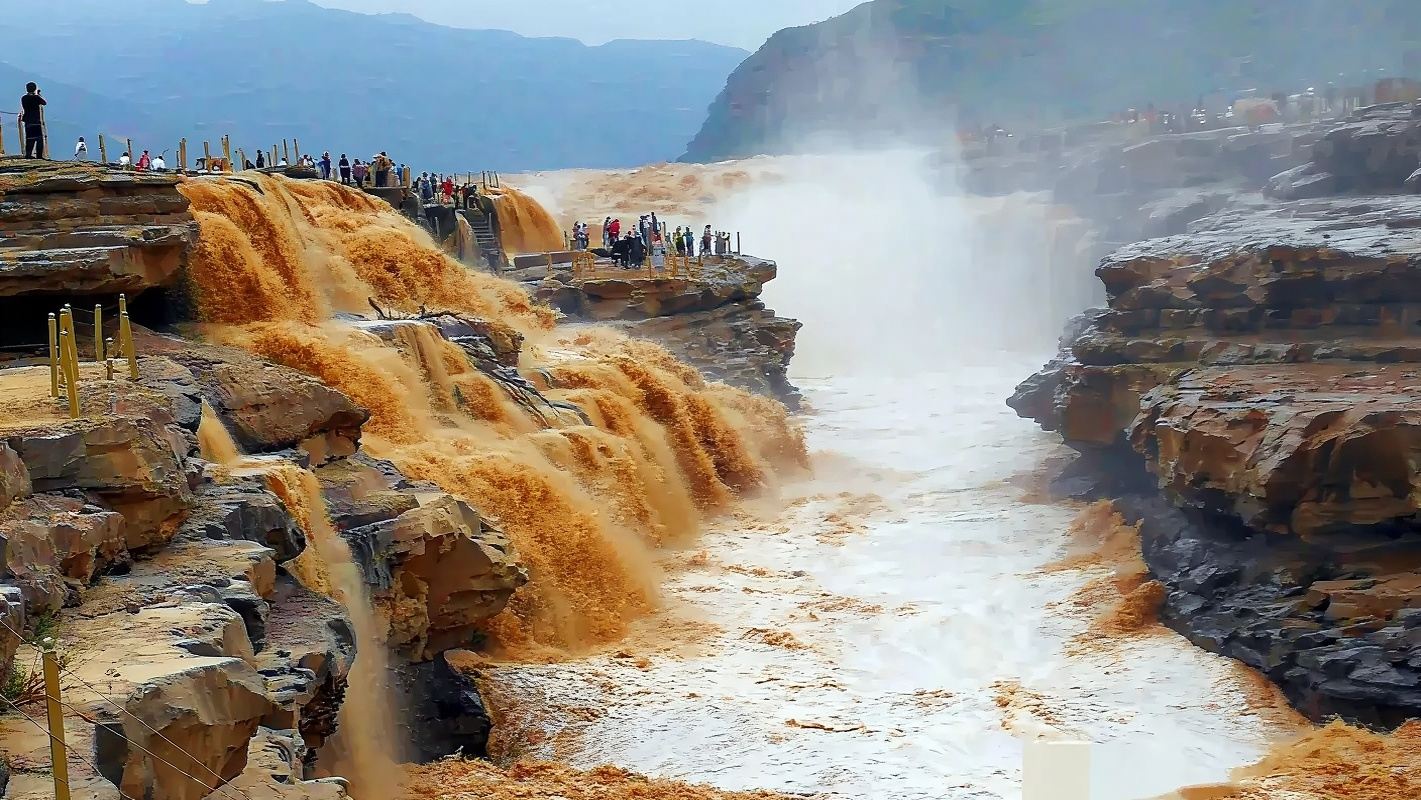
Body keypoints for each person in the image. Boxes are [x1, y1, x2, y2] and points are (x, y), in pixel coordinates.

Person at [19, 82, 46, 159]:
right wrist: (38, 94)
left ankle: (28, 154)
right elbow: (44, 103)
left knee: (29, 138)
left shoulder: (24, 98)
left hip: (28, 120)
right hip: (36, 120)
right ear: (34, 89)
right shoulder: (36, 98)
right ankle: (39, 156)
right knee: (39, 139)